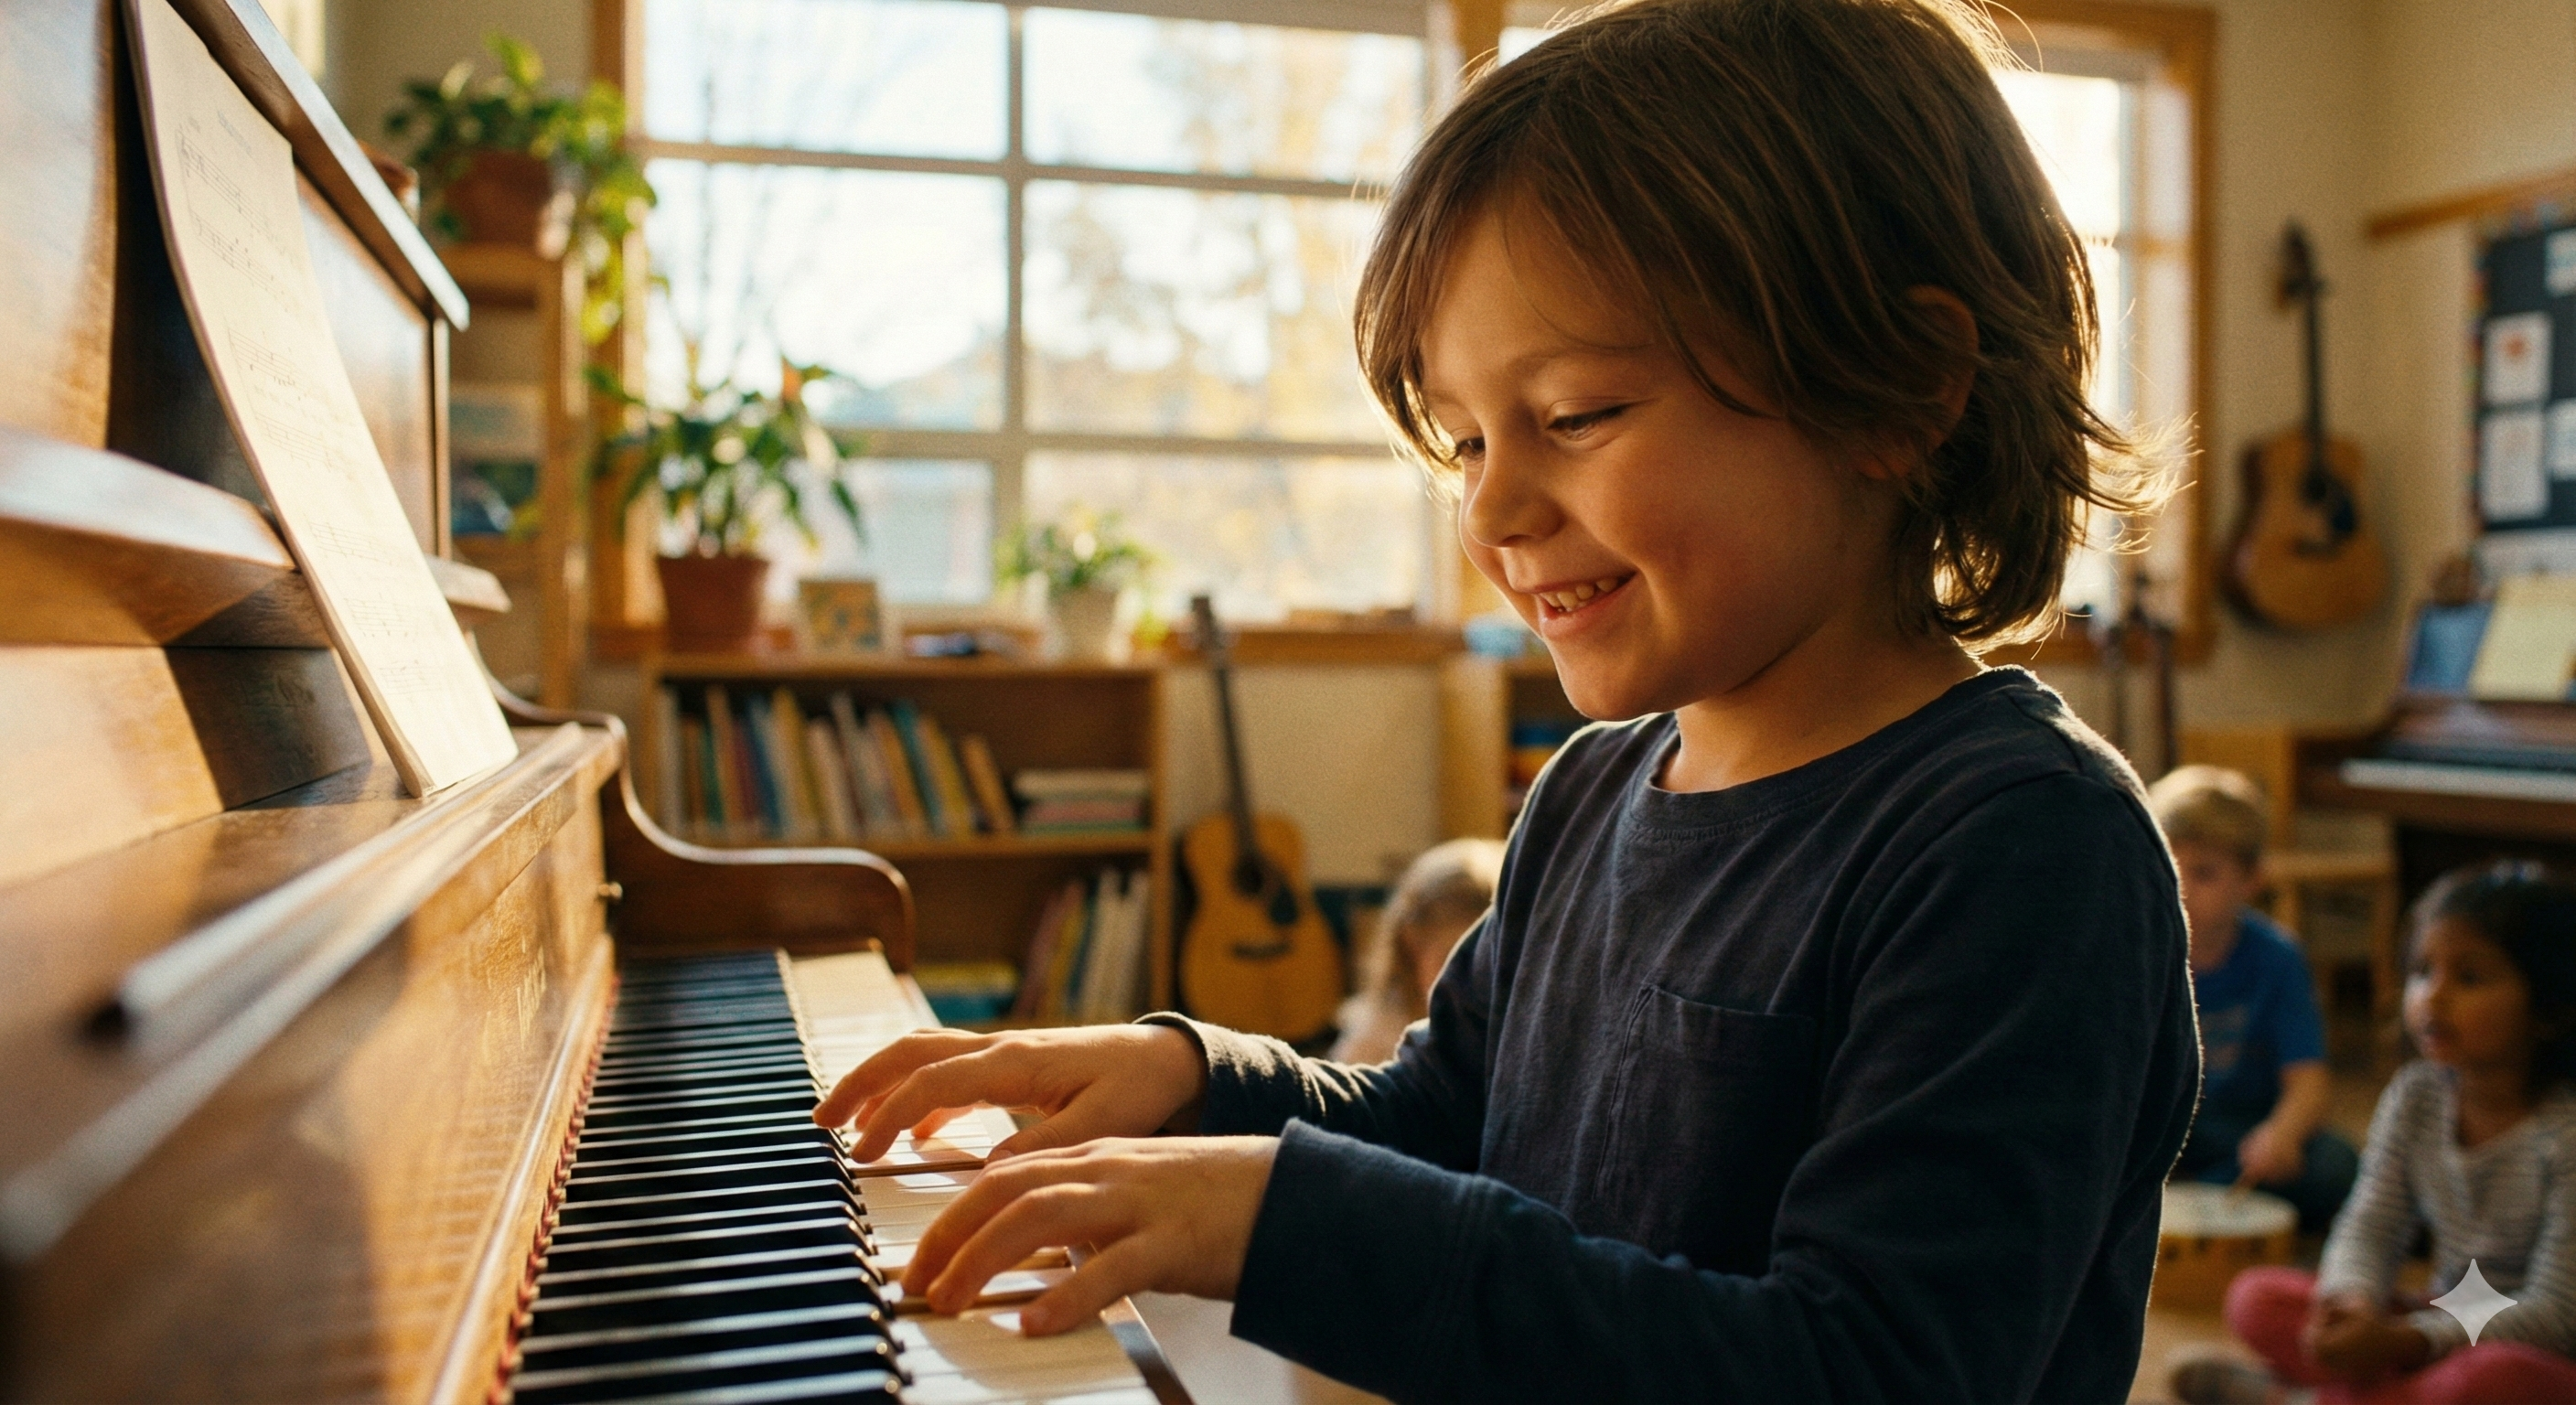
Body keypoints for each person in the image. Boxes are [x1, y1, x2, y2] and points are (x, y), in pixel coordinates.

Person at [816, 1, 2201, 1397]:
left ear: (1903, 392)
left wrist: (1282, 1219)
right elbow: (1450, 1114)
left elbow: (1859, 1368)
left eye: (1579, 414)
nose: (1492, 509)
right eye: (1465, 437)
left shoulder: (2022, 848)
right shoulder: (1598, 788)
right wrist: (1196, 1081)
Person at [2174, 862, 2576, 1405]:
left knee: (2490, 1382)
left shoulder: (2564, 1131)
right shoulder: (2417, 1097)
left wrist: (2404, 1344)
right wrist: (2351, 1304)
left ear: (2550, 1008)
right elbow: (2370, 1225)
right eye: (2421, 971)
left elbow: (2557, 1314)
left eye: (2470, 978)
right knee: (2256, 1298)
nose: (2433, 997)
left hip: (2537, 1352)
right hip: (2446, 1318)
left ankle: (2302, 1400)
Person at [2149, 765, 2358, 1232]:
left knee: (2335, 1165)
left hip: (2242, 1129)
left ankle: (2198, 1204)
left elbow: (2308, 1081)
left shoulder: (2277, 958)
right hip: (2165, 1128)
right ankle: (2193, 1204)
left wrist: (2279, 1136)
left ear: (2251, 880)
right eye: (2168, 868)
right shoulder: (2139, 955)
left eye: (2203, 874)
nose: (2180, 890)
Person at [1330, 839, 1507, 1065]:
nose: (1474, 986)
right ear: (1410, 944)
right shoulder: (1377, 1036)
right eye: (1451, 962)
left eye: (1488, 965)